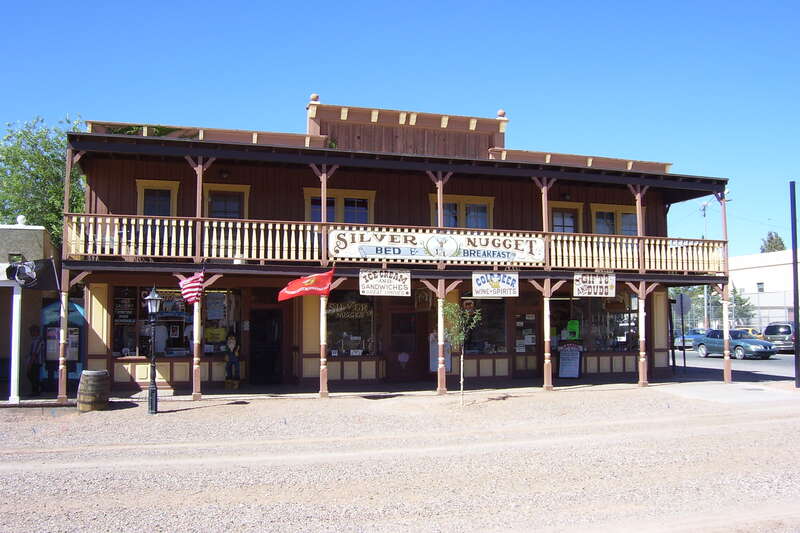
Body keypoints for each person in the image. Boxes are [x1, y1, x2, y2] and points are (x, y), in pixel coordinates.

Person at [27, 325, 45, 396]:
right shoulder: (35, 340)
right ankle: (36, 389)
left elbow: (35, 353)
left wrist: (30, 363)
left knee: (32, 375)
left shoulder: (38, 340)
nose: (30, 333)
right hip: (35, 361)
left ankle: (36, 390)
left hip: (36, 362)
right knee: (33, 376)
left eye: (32, 331)